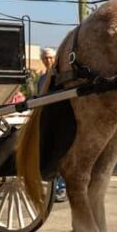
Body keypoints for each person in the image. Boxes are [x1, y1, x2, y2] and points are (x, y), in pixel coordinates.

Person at [37, 46, 67, 202]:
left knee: (60, 155)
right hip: (46, 119)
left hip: (59, 119)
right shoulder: (41, 79)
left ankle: (61, 188)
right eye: (45, 58)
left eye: (50, 57)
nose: (48, 60)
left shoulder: (60, 76)